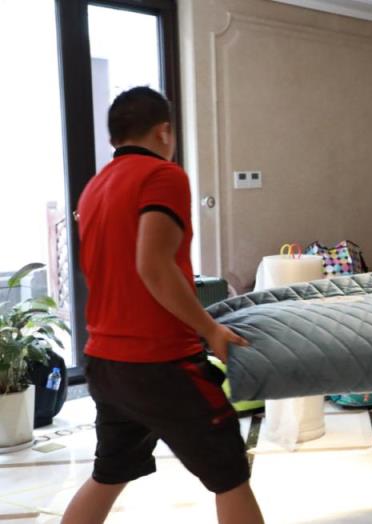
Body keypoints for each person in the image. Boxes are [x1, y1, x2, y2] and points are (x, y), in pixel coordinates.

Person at [63, 86, 264, 524]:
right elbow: (153, 265)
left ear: (115, 136)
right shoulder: (163, 176)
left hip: (105, 363)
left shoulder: (94, 189)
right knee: (230, 475)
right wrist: (210, 328)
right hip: (159, 364)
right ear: (164, 132)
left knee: (109, 474)